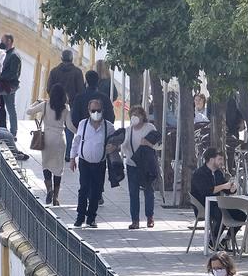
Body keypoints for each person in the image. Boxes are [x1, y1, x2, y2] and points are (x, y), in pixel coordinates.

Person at [69, 97, 113, 228]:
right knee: (83, 189)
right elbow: (76, 142)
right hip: (84, 162)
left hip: (99, 164)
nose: (96, 113)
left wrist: (114, 147)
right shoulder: (83, 124)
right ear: (88, 111)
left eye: (98, 110)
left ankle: (91, 217)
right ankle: (80, 216)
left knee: (96, 191)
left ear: (102, 110)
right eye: (93, 110)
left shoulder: (108, 127)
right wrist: (72, 159)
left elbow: (116, 141)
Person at [29, 83, 74, 206]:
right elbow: (69, 126)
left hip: (47, 138)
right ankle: (56, 198)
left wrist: (37, 102)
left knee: (46, 165)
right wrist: (81, 133)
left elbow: (29, 111)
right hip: (60, 139)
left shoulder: (44, 105)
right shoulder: (66, 108)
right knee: (58, 169)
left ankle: (49, 189)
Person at [121, 105, 159, 229]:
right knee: (133, 192)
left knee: (148, 191)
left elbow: (158, 145)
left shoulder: (149, 128)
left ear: (143, 116)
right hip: (132, 165)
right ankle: (135, 220)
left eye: (138, 114)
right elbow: (124, 146)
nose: (135, 117)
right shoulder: (128, 130)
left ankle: (150, 217)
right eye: (133, 115)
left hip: (146, 165)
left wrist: (147, 143)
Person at [190, 148, 237, 247]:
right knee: (222, 214)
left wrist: (232, 188)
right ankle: (212, 240)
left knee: (241, 215)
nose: (222, 162)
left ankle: (226, 239)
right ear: (211, 160)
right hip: (203, 205)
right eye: (219, 159)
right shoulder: (199, 173)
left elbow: (225, 188)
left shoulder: (218, 173)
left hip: (217, 204)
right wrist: (224, 186)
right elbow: (206, 191)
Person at [0, 34, 22, 135]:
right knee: (8, 107)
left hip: (9, 86)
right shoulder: (9, 54)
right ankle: (10, 130)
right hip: (6, 85)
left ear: (9, 41)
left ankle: (13, 132)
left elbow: (13, 74)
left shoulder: (14, 55)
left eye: (3, 40)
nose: (1, 43)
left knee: (10, 108)